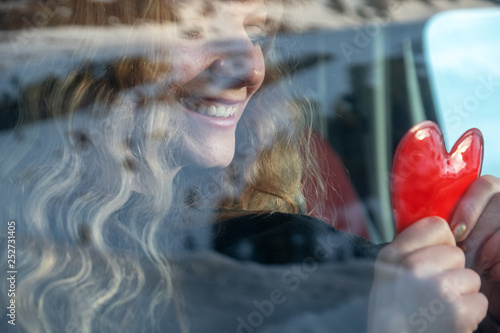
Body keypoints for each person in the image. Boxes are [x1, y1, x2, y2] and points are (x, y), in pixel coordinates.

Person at [0, 0, 499, 332]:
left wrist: (477, 277)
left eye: (255, 32)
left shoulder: (280, 250)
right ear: (89, 60)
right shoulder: (15, 263)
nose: (251, 67)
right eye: (194, 26)